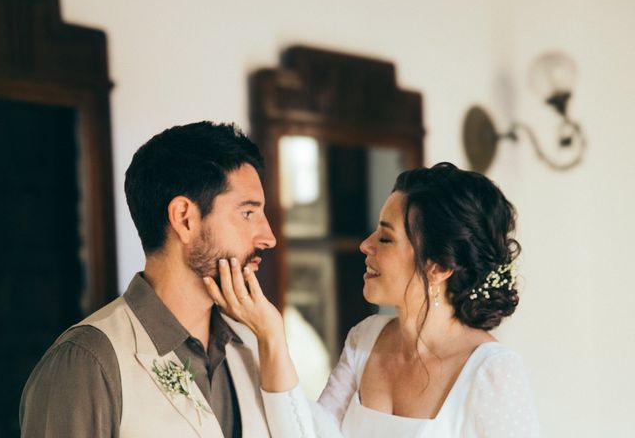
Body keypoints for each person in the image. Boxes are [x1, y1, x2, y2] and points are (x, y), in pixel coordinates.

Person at [206, 162, 541, 437]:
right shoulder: (365, 339)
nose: (366, 245)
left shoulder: (492, 371)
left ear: (438, 266)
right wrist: (270, 335)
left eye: (385, 237)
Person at [20, 121, 278, 437]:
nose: (268, 238)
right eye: (248, 214)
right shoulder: (88, 362)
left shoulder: (251, 345)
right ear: (185, 219)